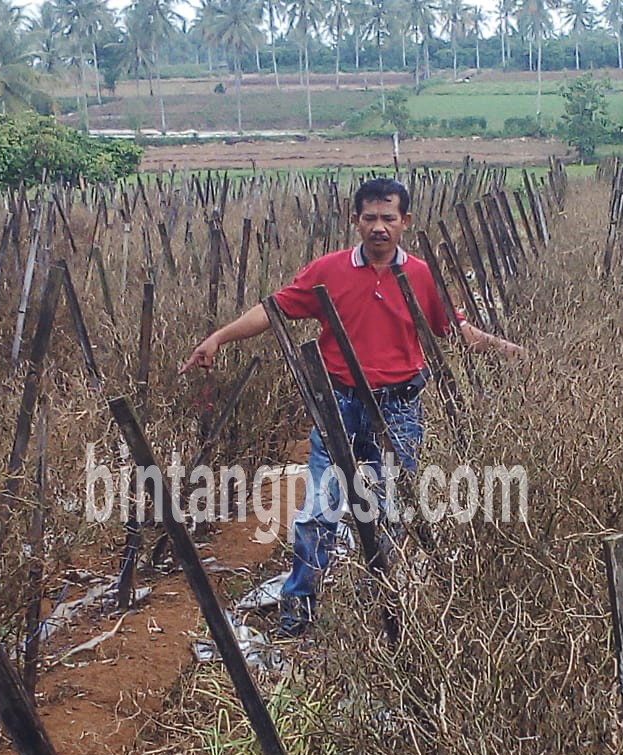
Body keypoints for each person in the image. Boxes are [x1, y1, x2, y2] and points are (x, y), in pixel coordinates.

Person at [180, 177, 523, 637]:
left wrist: (511, 352)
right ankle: (297, 610)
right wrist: (218, 337)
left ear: (406, 221)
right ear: (355, 220)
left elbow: (454, 330)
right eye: (370, 218)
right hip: (338, 406)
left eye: (389, 218)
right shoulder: (329, 270)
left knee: (390, 512)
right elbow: (274, 308)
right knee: (318, 513)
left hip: (398, 410)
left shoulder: (420, 275)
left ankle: (377, 603)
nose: (379, 227)